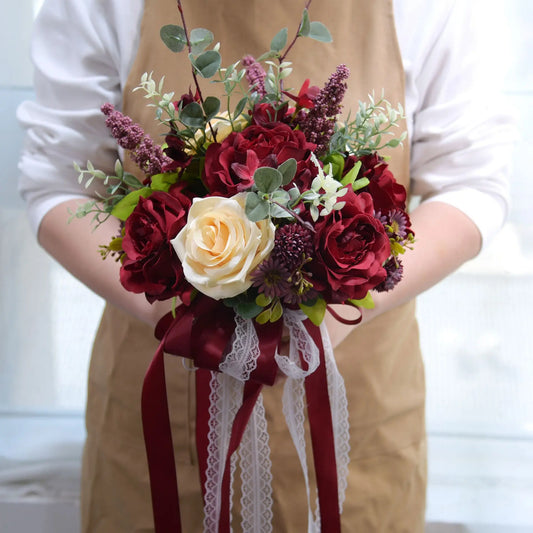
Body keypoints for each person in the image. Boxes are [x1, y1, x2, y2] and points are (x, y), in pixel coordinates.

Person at [18, 0, 513, 531]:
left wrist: (337, 302)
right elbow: (58, 182)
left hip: (360, 413)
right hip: (163, 410)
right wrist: (188, 313)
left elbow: (471, 183)